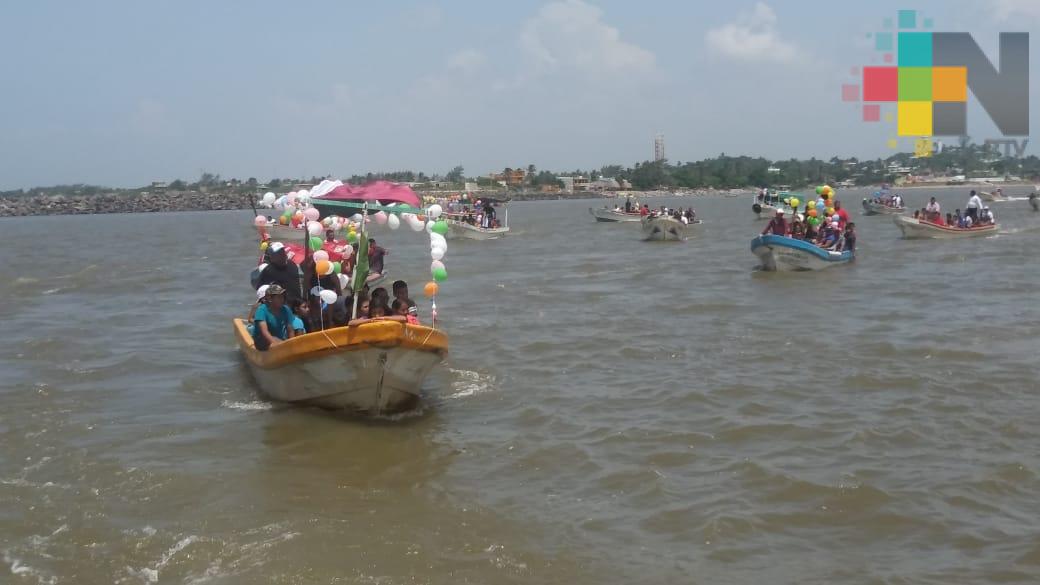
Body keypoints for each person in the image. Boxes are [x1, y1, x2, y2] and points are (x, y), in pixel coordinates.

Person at [253, 284, 295, 350]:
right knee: (275, 339)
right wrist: (276, 344)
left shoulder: (286, 309)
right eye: (279, 297)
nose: (282, 299)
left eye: (283, 297)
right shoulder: (261, 310)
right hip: (261, 341)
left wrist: (292, 345)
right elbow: (264, 331)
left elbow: (290, 330)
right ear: (270, 298)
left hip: (279, 340)